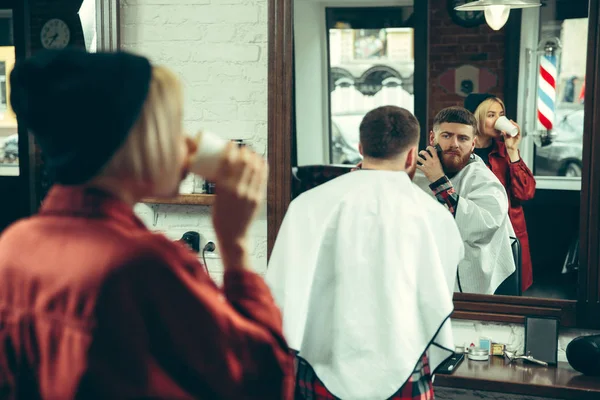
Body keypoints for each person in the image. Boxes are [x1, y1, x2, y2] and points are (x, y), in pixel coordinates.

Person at [0, 49, 293, 399]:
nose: (187, 142)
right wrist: (234, 244)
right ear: (135, 140)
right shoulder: (143, 262)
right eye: (175, 124)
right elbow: (265, 380)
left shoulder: (14, 244)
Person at [266, 106, 464, 400]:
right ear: (412, 156)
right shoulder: (434, 216)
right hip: (404, 363)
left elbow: (281, 292)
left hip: (321, 364)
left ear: (360, 148)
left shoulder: (307, 206)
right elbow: (438, 293)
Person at [413, 106, 516, 295]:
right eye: (446, 136)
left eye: (463, 138)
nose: (454, 144)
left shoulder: (484, 179)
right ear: (432, 138)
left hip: (464, 284)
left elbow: (482, 227)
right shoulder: (413, 173)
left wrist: (439, 182)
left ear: (473, 144)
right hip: (418, 273)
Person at [464, 93, 535, 292]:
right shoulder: (460, 152)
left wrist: (513, 152)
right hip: (476, 233)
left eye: (501, 114)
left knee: (508, 291)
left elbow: (525, 193)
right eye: (491, 115)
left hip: (509, 233)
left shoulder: (505, 151)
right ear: (474, 118)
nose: (498, 120)